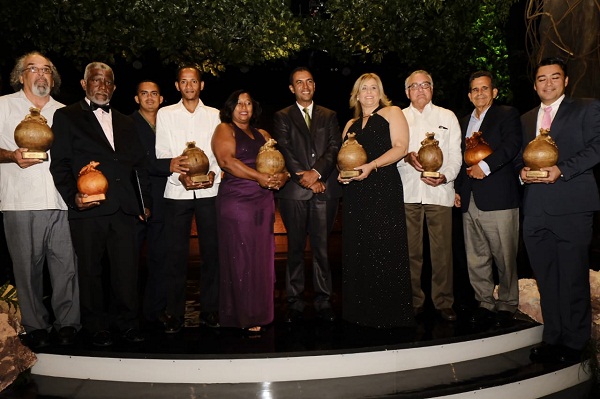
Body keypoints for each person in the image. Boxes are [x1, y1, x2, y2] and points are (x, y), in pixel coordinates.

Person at [50, 62, 151, 347]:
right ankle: (96, 326)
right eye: (96, 80)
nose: (102, 86)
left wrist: (144, 204)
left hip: (125, 209)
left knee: (127, 271)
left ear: (114, 87)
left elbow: (138, 166)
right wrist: (74, 198)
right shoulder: (66, 116)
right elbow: (60, 164)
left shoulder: (127, 121)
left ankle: (128, 324)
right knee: (90, 272)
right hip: (89, 208)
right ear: (84, 84)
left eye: (108, 82)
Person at [519, 57, 600, 363]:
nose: (548, 83)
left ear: (566, 81)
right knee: (546, 277)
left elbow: (596, 148)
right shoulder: (526, 119)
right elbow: (518, 159)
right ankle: (553, 337)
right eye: (542, 79)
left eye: (555, 77)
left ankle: (576, 344)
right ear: (535, 84)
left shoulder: (587, 109)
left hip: (573, 207)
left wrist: (562, 170)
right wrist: (521, 174)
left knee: (573, 278)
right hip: (536, 210)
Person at [0, 52, 80, 349]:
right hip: (19, 200)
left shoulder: (66, 112)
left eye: (46, 69)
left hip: (61, 200)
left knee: (66, 267)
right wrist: (10, 156)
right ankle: (35, 326)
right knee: (26, 268)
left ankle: (69, 323)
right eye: (33, 69)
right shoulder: (4, 105)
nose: (41, 74)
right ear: (21, 76)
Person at [339, 73, 414, 328]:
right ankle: (360, 312)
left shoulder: (393, 113)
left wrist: (372, 166)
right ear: (357, 94)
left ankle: (390, 314)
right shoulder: (350, 124)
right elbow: (344, 159)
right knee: (359, 247)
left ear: (380, 92)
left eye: (374, 88)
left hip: (383, 187)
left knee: (385, 247)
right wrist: (344, 176)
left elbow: (401, 147)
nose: (369, 92)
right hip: (355, 195)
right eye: (364, 88)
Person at [212, 90, 289, 333]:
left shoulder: (263, 134)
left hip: (262, 200)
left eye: (248, 103)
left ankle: (260, 312)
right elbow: (226, 161)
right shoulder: (225, 129)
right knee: (240, 256)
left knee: (261, 257)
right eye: (238, 103)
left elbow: (279, 163)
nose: (243, 108)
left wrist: (283, 177)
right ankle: (241, 315)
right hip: (237, 201)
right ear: (230, 108)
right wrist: (259, 178)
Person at [271, 67, 342, 323]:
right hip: (295, 192)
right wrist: (307, 179)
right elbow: (285, 150)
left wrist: (317, 173)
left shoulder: (329, 115)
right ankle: (294, 301)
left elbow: (335, 148)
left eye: (309, 81)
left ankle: (324, 301)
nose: (305, 86)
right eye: (299, 83)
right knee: (295, 249)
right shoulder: (282, 116)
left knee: (323, 249)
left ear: (314, 85)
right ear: (292, 88)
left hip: (325, 189)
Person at [155, 65, 221, 333]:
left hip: (209, 191)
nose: (189, 86)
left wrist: (215, 172)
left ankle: (211, 310)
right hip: (177, 191)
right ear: (177, 86)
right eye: (184, 81)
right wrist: (180, 174)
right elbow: (163, 151)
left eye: (194, 81)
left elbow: (217, 151)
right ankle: (175, 313)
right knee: (175, 255)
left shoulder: (215, 115)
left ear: (201, 85)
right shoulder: (166, 114)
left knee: (212, 254)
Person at [454, 71, 522, 328]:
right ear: (470, 95)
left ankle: (507, 303)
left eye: (485, 88)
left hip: (499, 197)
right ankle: (484, 302)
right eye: (475, 90)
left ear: (494, 92)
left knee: (505, 255)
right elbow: (459, 159)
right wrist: (458, 190)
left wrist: (486, 166)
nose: (479, 93)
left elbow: (512, 144)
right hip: (470, 198)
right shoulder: (462, 122)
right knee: (476, 256)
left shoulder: (507, 114)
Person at [398, 70, 462, 322]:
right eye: (414, 86)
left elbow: (456, 155)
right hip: (408, 191)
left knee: (442, 251)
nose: (420, 90)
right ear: (407, 92)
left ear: (432, 89)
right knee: (411, 252)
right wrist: (405, 157)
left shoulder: (447, 116)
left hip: (440, 191)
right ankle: (414, 300)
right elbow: (392, 153)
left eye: (426, 85)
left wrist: (445, 176)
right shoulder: (399, 118)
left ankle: (444, 301)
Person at [130, 80, 186, 325]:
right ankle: (128, 314)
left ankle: (156, 311)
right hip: (136, 197)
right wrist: (168, 165)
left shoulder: (169, 120)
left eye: (155, 93)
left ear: (162, 98)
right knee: (129, 260)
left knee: (160, 257)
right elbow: (134, 160)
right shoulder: (127, 124)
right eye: (144, 94)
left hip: (165, 198)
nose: (150, 98)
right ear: (136, 98)